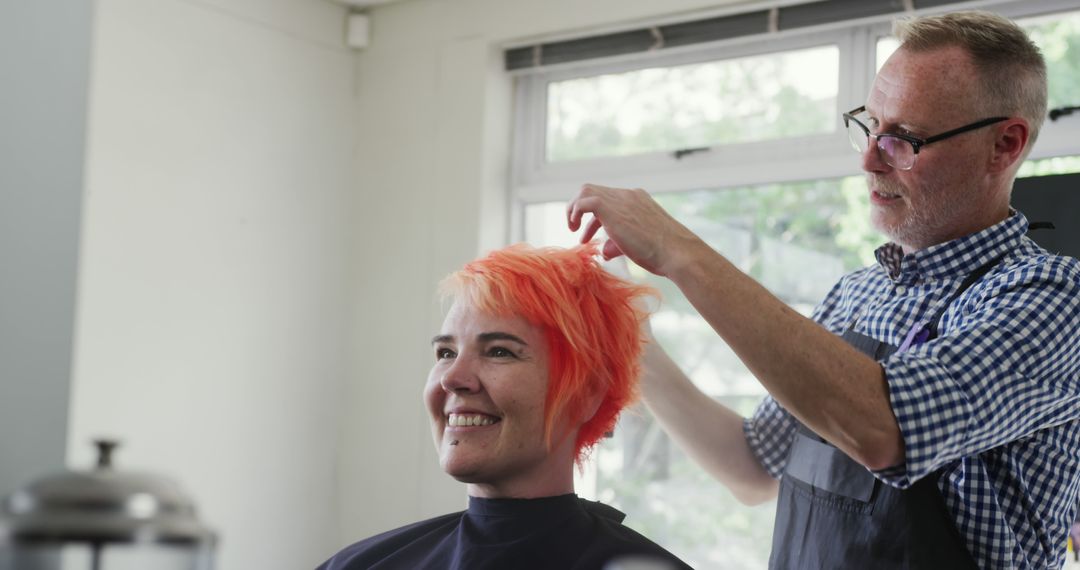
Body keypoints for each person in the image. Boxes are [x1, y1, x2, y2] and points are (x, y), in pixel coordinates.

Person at [566, 10, 1080, 570]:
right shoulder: (855, 296)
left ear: (1004, 145)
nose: (868, 159)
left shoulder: (1051, 299)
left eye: (904, 140)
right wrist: (634, 338)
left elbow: (884, 428)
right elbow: (752, 467)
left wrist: (676, 248)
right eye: (870, 125)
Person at [317, 243, 691, 570]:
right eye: (446, 352)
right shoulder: (360, 563)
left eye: (499, 351)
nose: (452, 377)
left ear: (588, 394)